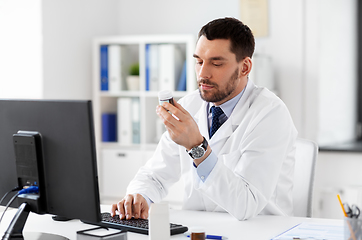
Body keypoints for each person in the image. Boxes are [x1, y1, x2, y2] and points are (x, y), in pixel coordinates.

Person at [111, 17, 297, 221]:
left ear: (244, 67)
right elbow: (155, 174)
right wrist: (140, 196)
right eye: (199, 61)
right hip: (200, 229)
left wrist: (197, 147)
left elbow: (246, 204)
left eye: (216, 63)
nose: (202, 74)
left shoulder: (270, 113)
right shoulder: (190, 105)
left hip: (259, 229)